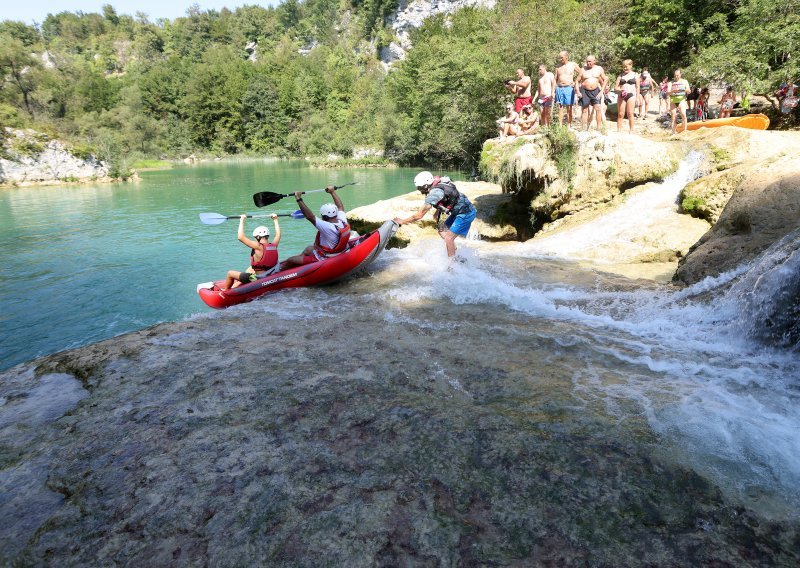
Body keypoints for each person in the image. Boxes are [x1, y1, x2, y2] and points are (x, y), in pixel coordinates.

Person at [393, 171, 477, 259]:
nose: (418, 189)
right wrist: (437, 211)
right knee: (442, 230)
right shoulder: (439, 183)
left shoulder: (434, 194)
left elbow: (418, 215)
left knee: (448, 238)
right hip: (458, 211)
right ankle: (453, 250)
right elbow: (445, 197)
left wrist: (402, 221)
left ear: (426, 185)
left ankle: (453, 265)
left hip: (466, 213)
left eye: (419, 187)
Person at [280, 186, 350, 269]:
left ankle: (279, 273)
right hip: (338, 252)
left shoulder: (326, 226)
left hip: (325, 257)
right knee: (308, 249)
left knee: (290, 260)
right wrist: (332, 192)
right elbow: (340, 207)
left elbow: (309, 216)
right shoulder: (342, 220)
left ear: (326, 217)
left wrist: (298, 198)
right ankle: (301, 265)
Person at [220, 214, 281, 290]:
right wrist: (275, 220)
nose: (255, 239)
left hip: (258, 279)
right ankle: (237, 283)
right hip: (271, 273)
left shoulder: (258, 246)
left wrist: (242, 220)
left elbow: (240, 237)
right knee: (250, 269)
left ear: (258, 237)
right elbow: (278, 234)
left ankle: (225, 291)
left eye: (255, 238)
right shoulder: (274, 245)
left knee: (230, 273)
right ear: (267, 236)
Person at [576, 55, 608, 130]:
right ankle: (584, 128)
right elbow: (577, 81)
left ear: (594, 61)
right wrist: (578, 91)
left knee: (598, 108)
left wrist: (602, 91)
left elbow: (605, 79)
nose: (588, 63)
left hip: (595, 91)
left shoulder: (599, 68)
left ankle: (599, 128)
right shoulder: (583, 69)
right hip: (584, 91)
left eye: (590, 61)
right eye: (587, 61)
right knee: (584, 110)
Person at [554, 51, 579, 126]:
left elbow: (581, 73)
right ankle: (560, 125)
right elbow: (555, 78)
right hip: (559, 88)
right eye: (560, 57)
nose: (560, 59)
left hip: (569, 88)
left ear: (566, 57)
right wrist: (554, 88)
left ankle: (569, 125)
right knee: (560, 107)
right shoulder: (558, 66)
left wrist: (576, 82)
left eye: (562, 57)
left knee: (569, 107)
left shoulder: (572, 64)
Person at [615, 59, 639, 133]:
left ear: (631, 65)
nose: (625, 68)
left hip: (631, 95)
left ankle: (631, 130)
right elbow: (615, 87)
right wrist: (620, 90)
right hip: (621, 95)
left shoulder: (635, 74)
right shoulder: (620, 75)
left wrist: (637, 98)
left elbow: (638, 87)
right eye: (623, 67)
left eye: (626, 66)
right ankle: (619, 130)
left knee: (630, 113)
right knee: (620, 114)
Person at [668, 69, 690, 134]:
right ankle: (673, 132)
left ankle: (685, 131)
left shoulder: (685, 81)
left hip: (681, 100)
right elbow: (668, 92)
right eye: (675, 75)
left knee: (683, 114)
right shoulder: (670, 83)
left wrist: (682, 89)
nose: (676, 76)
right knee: (673, 117)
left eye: (677, 75)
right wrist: (673, 91)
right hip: (673, 100)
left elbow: (689, 91)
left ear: (680, 75)